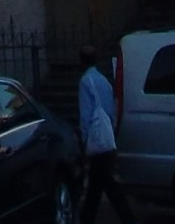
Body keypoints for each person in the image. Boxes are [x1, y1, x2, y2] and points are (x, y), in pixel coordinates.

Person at [78, 44, 136, 224]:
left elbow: (86, 114)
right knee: (99, 183)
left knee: (104, 184)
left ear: (82, 61)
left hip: (96, 139)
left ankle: (127, 218)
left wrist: (84, 137)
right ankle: (88, 218)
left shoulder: (86, 81)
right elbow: (110, 110)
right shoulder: (104, 81)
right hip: (107, 137)